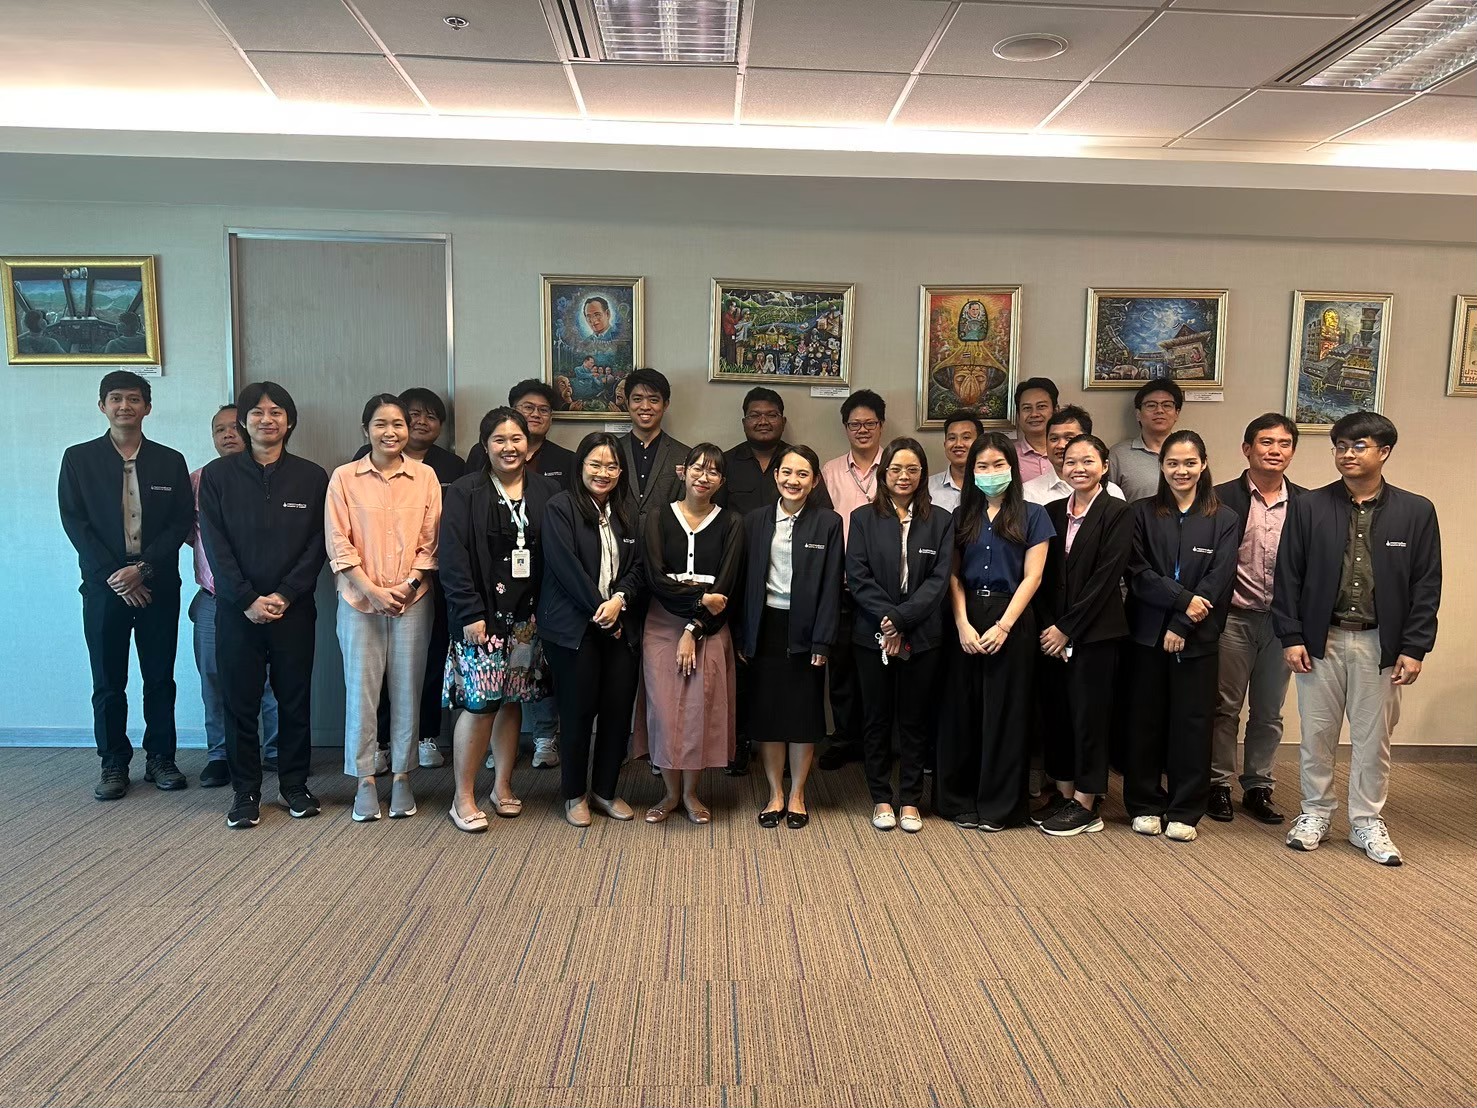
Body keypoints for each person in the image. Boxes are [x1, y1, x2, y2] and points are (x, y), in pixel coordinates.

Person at [1274, 412, 1441, 866]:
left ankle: (1366, 820)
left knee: (1373, 739)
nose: (1348, 454)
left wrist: (1414, 646)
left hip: (1380, 644)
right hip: (1320, 640)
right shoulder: (1309, 506)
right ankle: (1315, 813)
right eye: (1341, 446)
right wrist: (1291, 635)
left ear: (1384, 452)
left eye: (1359, 446)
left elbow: (1427, 584)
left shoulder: (1416, 511)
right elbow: (1287, 575)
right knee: (1317, 734)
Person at [198, 382, 329, 829]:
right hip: (238, 610)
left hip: (295, 609)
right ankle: (245, 791)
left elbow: (318, 543)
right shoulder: (218, 476)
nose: (266, 419)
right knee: (240, 702)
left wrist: (286, 593)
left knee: (294, 699)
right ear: (243, 421)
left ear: (289, 422)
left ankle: (294, 785)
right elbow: (215, 544)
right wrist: (246, 598)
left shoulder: (312, 477)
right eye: (257, 412)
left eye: (276, 412)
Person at [58, 370, 193, 801]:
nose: (124, 406)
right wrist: (117, 577)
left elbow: (180, 522)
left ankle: (161, 758)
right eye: (115, 398)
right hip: (104, 588)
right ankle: (113, 762)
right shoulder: (78, 459)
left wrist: (143, 569)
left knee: (160, 678)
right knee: (108, 680)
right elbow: (75, 522)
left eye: (133, 399)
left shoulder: (170, 460)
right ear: (102, 406)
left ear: (147, 407)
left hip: (158, 586)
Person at [439, 408, 559, 832]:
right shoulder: (465, 491)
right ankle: (463, 797)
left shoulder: (545, 490)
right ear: (485, 445)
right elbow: (452, 556)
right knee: (480, 705)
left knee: (511, 702)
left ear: (528, 444)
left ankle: (502, 786)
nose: (510, 448)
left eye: (516, 439)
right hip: (482, 620)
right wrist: (469, 611)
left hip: (528, 620)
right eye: (499, 440)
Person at [327, 395, 442, 822]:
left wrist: (408, 586)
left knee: (409, 689)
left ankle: (402, 776)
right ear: (366, 430)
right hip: (359, 601)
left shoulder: (425, 476)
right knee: (362, 691)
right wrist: (372, 590)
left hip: (413, 601)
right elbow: (338, 543)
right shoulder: (344, 478)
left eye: (398, 424)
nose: (390, 432)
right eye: (381, 424)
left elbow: (431, 542)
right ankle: (364, 780)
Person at [1122, 430, 1239, 842]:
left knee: (1193, 722)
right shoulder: (1140, 513)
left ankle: (1186, 808)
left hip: (1198, 636)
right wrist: (1181, 601)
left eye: (1189, 463)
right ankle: (1144, 803)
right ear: (1162, 466)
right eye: (1172, 463)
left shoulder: (1224, 518)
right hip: (1145, 634)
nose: (1181, 470)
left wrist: (1182, 623)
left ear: (1203, 464)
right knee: (1144, 721)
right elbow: (1137, 572)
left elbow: (1220, 579)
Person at [935, 433, 1053, 832]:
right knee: (961, 710)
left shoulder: (1034, 515)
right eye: (982, 466)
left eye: (998, 465)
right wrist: (962, 624)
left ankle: (1000, 806)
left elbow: (1033, 576)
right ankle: (958, 801)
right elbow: (952, 574)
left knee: (1006, 713)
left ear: (1012, 469)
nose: (990, 473)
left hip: (1012, 617)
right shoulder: (960, 516)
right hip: (966, 615)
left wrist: (1004, 625)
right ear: (971, 472)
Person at [847, 437, 954, 834]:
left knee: (914, 719)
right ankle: (880, 797)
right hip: (871, 634)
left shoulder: (941, 520)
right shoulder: (862, 518)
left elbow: (939, 581)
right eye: (895, 469)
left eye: (912, 469)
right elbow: (858, 577)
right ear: (883, 474)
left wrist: (901, 620)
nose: (903, 476)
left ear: (922, 474)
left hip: (922, 635)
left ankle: (910, 799)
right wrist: (888, 620)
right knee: (876, 718)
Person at [537, 433, 644, 827]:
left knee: (617, 711)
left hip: (619, 626)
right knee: (577, 712)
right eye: (596, 464)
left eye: (612, 466)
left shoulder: (627, 511)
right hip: (573, 629)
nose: (604, 473)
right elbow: (565, 567)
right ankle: (574, 795)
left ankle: (605, 791)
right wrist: (601, 611)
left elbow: (638, 567)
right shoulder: (560, 507)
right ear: (580, 465)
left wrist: (619, 601)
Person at [353, 388, 461, 771]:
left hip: (428, 584)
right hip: (368, 589)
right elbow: (346, 534)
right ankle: (380, 744)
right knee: (375, 673)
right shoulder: (356, 466)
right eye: (413, 414)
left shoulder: (448, 467)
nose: (421, 422)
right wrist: (370, 586)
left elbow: (439, 532)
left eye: (431, 416)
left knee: (426, 663)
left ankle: (424, 737)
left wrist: (414, 580)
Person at [636, 443, 744, 825]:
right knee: (665, 711)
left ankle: (691, 793)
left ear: (721, 481)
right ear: (683, 472)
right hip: (661, 624)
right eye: (698, 468)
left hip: (709, 628)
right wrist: (699, 597)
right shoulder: (657, 517)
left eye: (713, 471)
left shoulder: (732, 522)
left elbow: (725, 590)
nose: (704, 476)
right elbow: (655, 579)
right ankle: (669, 793)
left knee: (700, 710)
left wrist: (694, 627)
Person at [1032, 434, 1132, 837]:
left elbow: (1107, 578)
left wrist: (1067, 629)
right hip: (1051, 633)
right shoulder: (1052, 511)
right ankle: (1064, 793)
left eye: (1088, 461)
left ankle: (1087, 802)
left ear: (1104, 466)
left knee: (1090, 716)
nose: (1078, 468)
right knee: (1057, 713)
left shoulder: (1118, 512)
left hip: (1095, 634)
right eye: (1071, 461)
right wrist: (1049, 627)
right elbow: (1041, 576)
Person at [738, 445, 843, 830]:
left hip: (807, 630)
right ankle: (774, 793)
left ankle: (797, 793)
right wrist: (744, 635)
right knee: (768, 715)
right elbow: (744, 581)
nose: (792, 480)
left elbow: (832, 586)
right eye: (786, 472)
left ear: (814, 481)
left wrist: (823, 640)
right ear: (776, 475)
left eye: (802, 474)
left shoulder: (828, 523)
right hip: (765, 626)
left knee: (802, 715)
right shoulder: (755, 520)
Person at [1209, 414, 1305, 825]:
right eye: (1266, 442)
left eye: (1284, 443)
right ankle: (1217, 784)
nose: (1274, 450)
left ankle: (1258, 786)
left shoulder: (1306, 504)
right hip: (1233, 617)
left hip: (1281, 623)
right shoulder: (1219, 497)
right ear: (1247, 449)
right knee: (1224, 706)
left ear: (1292, 452)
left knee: (1269, 710)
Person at [189, 405, 279, 789]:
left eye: (233, 427)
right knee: (214, 677)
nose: (227, 434)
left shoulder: (272, 478)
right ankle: (220, 754)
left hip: (269, 597)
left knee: (273, 679)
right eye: (219, 429)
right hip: (215, 598)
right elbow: (189, 534)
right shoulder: (198, 480)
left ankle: (276, 750)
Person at [817, 389, 886, 771]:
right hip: (841, 586)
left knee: (882, 667)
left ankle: (880, 741)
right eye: (854, 424)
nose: (862, 430)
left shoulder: (896, 466)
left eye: (869, 423)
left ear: (881, 426)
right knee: (842, 668)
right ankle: (844, 738)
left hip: (885, 587)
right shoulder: (829, 471)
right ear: (845, 427)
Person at [464, 380, 574, 491]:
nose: (536, 414)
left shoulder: (567, 460)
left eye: (543, 410)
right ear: (513, 411)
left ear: (550, 417)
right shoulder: (481, 453)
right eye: (528, 407)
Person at [619, 368, 690, 537]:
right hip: (618, 545)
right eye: (637, 399)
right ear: (627, 403)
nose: (645, 407)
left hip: (665, 546)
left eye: (653, 400)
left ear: (665, 404)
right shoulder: (612, 451)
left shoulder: (685, 455)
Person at [1022, 406, 1126, 505]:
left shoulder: (1112, 492)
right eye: (1054, 439)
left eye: (1069, 438)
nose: (1061, 445)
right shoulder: (1028, 492)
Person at [1109, 380, 1183, 502]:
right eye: (1151, 405)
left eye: (1167, 405)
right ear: (1138, 414)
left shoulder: (1188, 451)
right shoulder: (1118, 454)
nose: (1159, 410)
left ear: (1177, 413)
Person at [927, 409, 982, 513]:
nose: (958, 444)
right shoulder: (927, 487)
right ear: (945, 444)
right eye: (952, 438)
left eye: (966, 437)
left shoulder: (989, 485)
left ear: (980, 443)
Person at [1013, 377, 1059, 482]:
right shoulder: (1007, 456)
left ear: (1056, 410)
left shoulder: (1070, 451)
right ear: (1018, 415)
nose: (1034, 414)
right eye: (1027, 408)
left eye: (1041, 406)